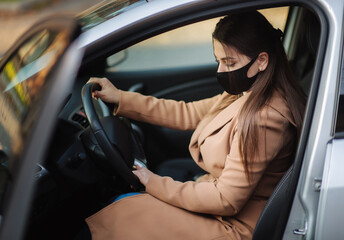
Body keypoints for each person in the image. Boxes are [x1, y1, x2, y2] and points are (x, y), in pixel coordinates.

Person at [85, 10, 306, 240]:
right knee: (124, 209)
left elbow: (225, 199)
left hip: (235, 226)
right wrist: (120, 98)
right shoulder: (247, 92)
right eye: (218, 60)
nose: (220, 70)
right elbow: (188, 112)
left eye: (229, 62)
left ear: (261, 61)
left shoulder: (266, 119)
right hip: (219, 206)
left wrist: (154, 182)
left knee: (122, 216)